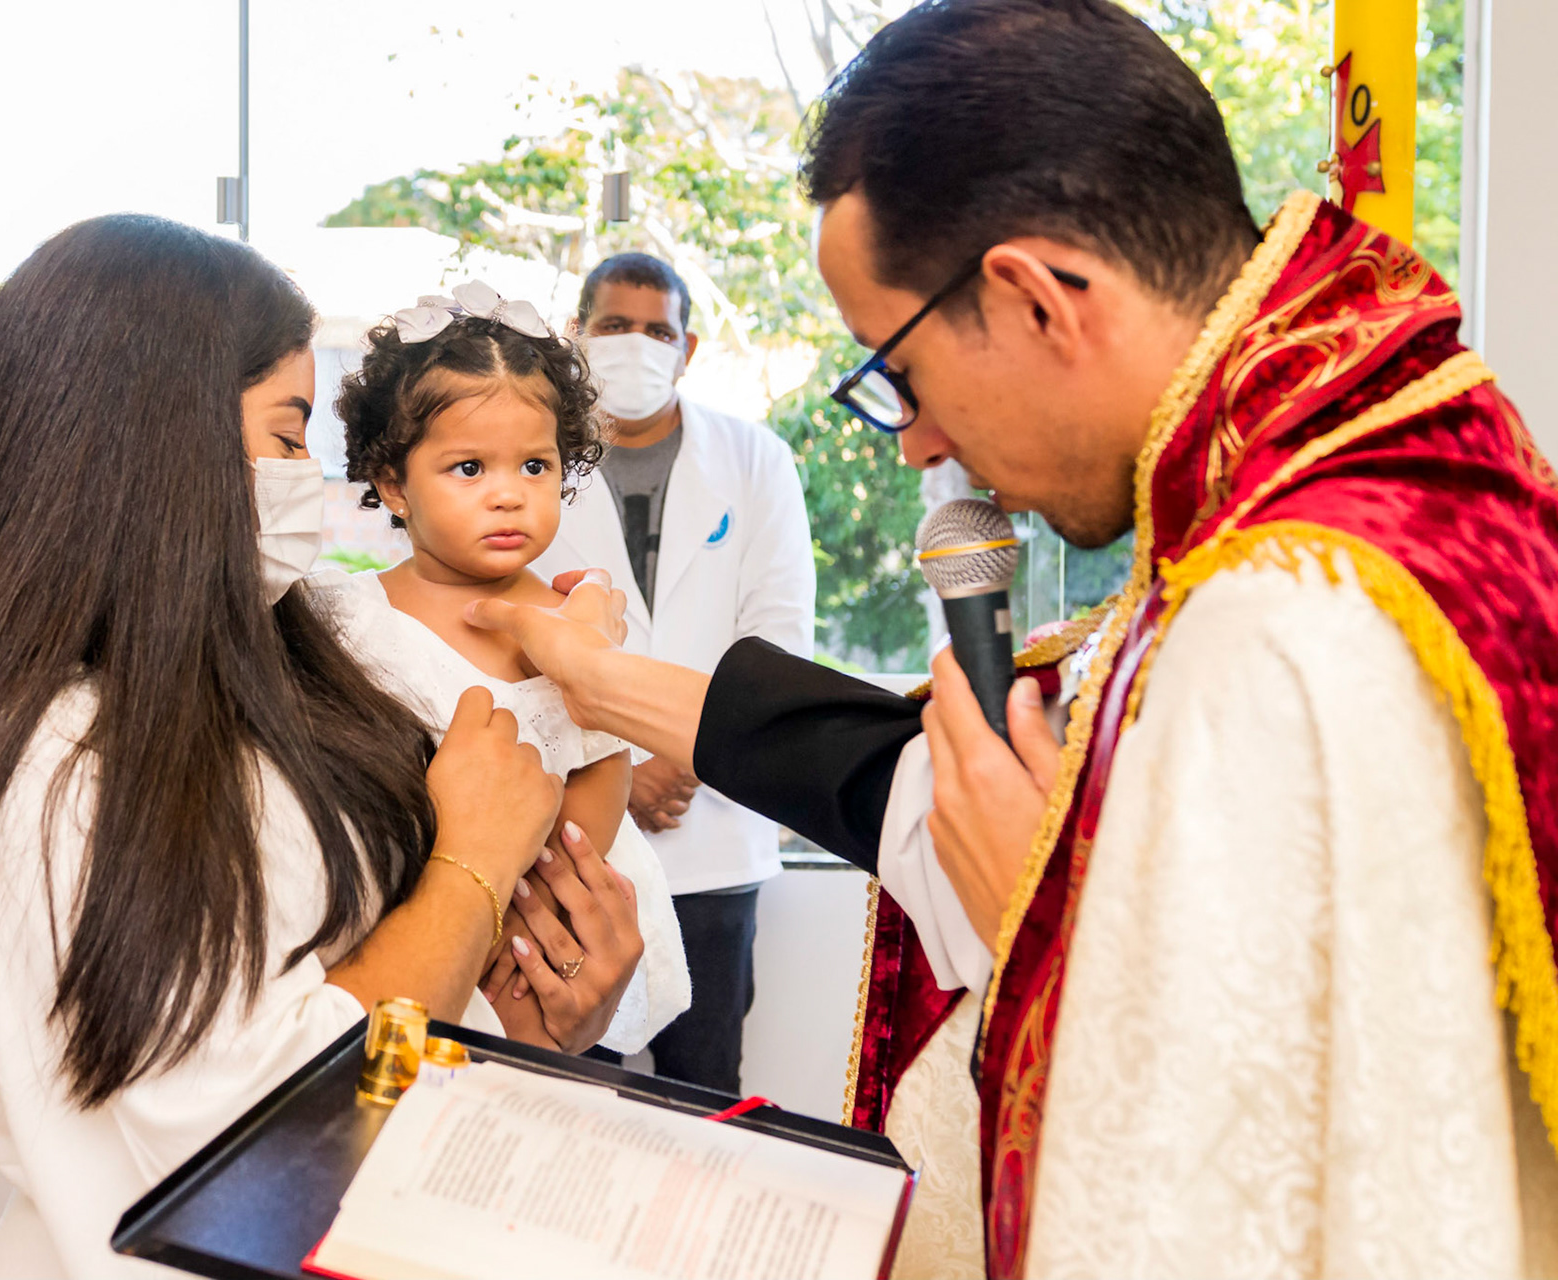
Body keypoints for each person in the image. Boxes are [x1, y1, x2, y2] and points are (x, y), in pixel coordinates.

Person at [464, 1, 1558, 1275]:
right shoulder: (1343, 472)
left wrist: (1038, 923)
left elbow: (1213, 1192)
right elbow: (957, 796)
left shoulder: (1285, 621)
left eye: (899, 375)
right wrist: (599, 676)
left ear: (1036, 297)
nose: (920, 442)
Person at [0, 216, 643, 1278]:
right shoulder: (54, 770)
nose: (307, 476)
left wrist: (537, 1015)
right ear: (151, 444)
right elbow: (279, 1131)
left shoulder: (253, 673)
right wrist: (473, 866)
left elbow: (383, 1012)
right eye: (284, 430)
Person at [306, 280, 689, 1054]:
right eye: (470, 469)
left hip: (540, 936)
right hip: (398, 930)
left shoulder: (572, 623)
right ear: (392, 485)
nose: (509, 497)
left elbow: (596, 791)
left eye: (536, 468)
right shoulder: (344, 622)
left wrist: (519, 920)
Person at [533, 252, 815, 1092]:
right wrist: (621, 773)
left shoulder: (754, 459)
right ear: (578, 338)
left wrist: (679, 759)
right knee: (576, 1088)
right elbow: (519, 645)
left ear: (688, 348)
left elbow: (777, 641)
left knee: (707, 1092)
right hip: (577, 845)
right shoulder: (532, 461)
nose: (636, 345)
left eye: (658, 330)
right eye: (615, 326)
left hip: (714, 835)